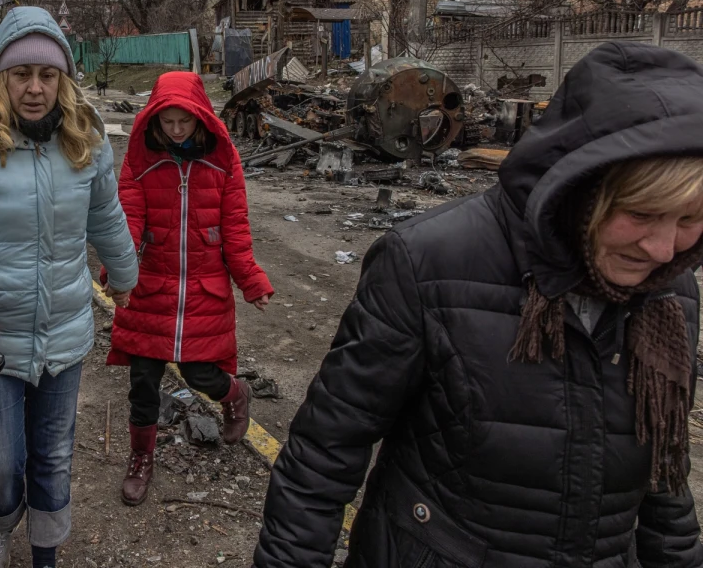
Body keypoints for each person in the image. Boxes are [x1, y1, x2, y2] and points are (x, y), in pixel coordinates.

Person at [254, 42, 703, 567]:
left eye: (689, 220)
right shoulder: (427, 262)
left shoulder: (668, 296)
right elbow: (324, 455)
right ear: (577, 188)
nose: (664, 249)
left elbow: (662, 471)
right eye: (642, 214)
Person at [0, 6, 139, 568]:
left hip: (65, 334)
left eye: (47, 76)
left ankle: (45, 556)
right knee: (0, 465)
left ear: (64, 80)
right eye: (22, 75)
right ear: (0, 77)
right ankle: (0, 526)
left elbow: (107, 218)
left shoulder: (84, 141)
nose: (35, 89)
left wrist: (127, 277)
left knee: (53, 457)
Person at [102, 71, 273, 506]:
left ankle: (236, 393)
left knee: (201, 373)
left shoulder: (223, 159)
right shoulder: (141, 158)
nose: (176, 131)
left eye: (184, 122)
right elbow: (128, 220)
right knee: (143, 382)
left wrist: (251, 280)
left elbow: (235, 227)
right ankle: (141, 458)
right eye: (168, 122)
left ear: (200, 118)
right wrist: (118, 272)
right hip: (150, 289)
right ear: (153, 120)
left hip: (203, 288)